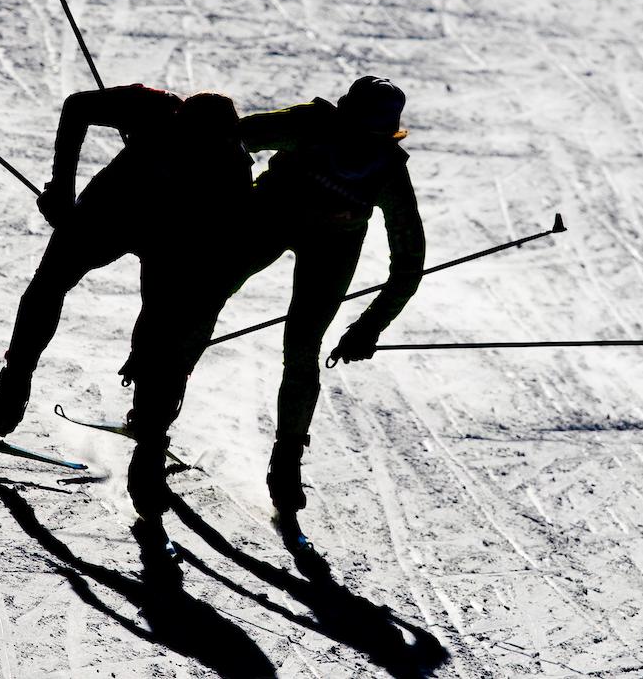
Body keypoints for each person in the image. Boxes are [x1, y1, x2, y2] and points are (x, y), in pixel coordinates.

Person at [124, 76, 426, 556]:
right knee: (230, 320)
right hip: (280, 223)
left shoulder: (331, 137)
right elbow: (408, 263)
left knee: (221, 316)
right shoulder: (368, 156)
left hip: (288, 228)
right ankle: (167, 435)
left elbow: (229, 136)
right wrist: (369, 325)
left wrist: (370, 326)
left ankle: (251, 454)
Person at [0, 86, 251, 439]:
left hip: (176, 233)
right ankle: (10, 396)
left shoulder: (235, 175)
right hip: (115, 203)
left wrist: (170, 345)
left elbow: (213, 279)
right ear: (176, 118)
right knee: (47, 286)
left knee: (164, 324)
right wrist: (62, 187)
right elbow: (77, 105)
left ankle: (153, 409)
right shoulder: (154, 108)